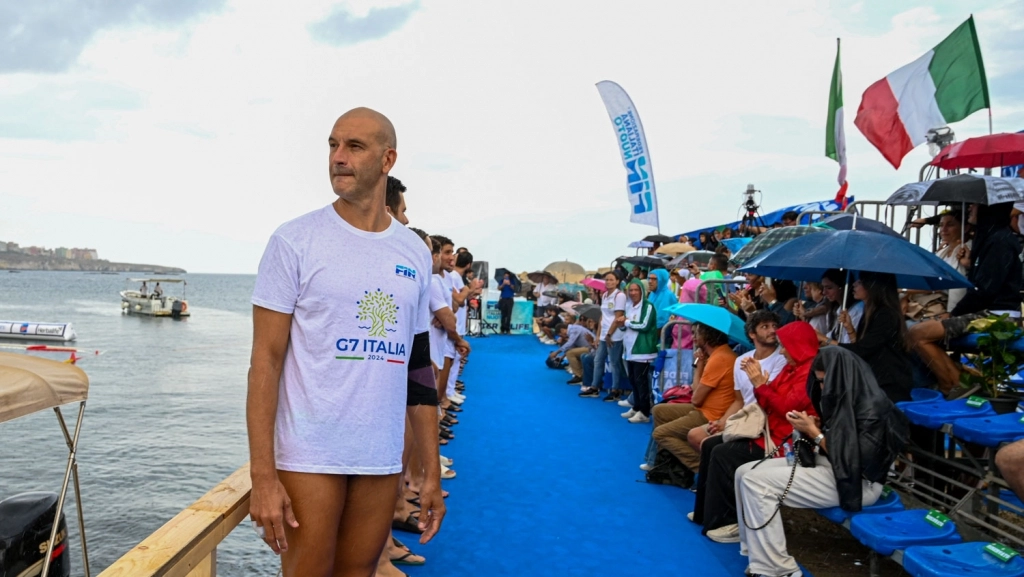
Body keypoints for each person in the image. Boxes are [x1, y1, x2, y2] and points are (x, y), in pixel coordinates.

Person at [248, 108, 444, 576]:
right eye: (333, 145)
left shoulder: (413, 251)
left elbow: (418, 370)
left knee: (359, 572)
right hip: (309, 449)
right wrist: (262, 475)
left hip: (378, 452)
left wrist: (430, 470)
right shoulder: (295, 241)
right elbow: (265, 362)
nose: (338, 157)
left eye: (354, 147)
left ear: (387, 159)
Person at [735, 347, 909, 577]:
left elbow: (855, 462)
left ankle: (778, 568)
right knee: (743, 472)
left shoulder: (874, 408)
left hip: (857, 483)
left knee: (757, 482)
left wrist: (815, 432)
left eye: (824, 381)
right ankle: (757, 552)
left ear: (841, 376)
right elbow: (836, 442)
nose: (821, 388)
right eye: (818, 382)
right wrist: (814, 427)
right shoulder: (847, 394)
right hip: (830, 468)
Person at [696, 321, 819, 544]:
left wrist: (761, 385)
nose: (782, 351)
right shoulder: (791, 368)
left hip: (784, 441)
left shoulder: (807, 373)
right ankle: (706, 513)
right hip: (769, 430)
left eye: (786, 346)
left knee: (724, 453)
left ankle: (729, 520)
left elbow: (787, 409)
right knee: (712, 444)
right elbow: (769, 402)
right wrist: (760, 385)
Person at [910, 202, 1023, 393]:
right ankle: (962, 380)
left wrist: (952, 314)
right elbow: (988, 283)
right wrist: (969, 265)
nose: (970, 208)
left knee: (917, 334)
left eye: (975, 205)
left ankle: (953, 385)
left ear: (989, 209)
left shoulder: (999, 241)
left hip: (998, 317)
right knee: (913, 331)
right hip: (987, 311)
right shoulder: (992, 237)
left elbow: (984, 291)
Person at [649, 322, 737, 485]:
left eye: (697, 334)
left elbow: (696, 398)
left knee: (660, 433)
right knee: (659, 410)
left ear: (708, 336)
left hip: (710, 415)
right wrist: (700, 363)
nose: (694, 338)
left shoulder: (720, 358)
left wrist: (701, 364)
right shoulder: (716, 355)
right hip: (703, 408)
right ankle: (667, 465)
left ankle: (704, 468)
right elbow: (696, 391)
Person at [835, 272, 913, 403]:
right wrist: (850, 328)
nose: (854, 284)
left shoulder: (885, 314)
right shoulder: (870, 311)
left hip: (889, 386)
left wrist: (825, 341)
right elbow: (861, 347)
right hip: (876, 381)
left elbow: (862, 350)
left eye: (859, 282)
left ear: (872, 286)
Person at [578, 272, 628, 400]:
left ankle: (615, 390)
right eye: (607, 280)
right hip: (604, 334)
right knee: (598, 360)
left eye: (611, 280)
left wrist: (609, 334)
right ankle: (594, 388)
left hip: (615, 335)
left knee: (614, 362)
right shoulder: (605, 295)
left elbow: (618, 317)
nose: (608, 282)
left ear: (617, 281)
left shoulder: (620, 296)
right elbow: (602, 316)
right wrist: (598, 335)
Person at [620, 278, 658, 423]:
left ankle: (644, 412)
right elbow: (625, 326)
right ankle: (636, 407)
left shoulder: (648, 306)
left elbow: (644, 325)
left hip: (643, 350)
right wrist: (621, 324)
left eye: (636, 290)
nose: (633, 293)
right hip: (630, 349)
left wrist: (626, 322)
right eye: (631, 290)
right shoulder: (629, 306)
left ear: (642, 291)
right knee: (633, 380)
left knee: (641, 381)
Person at [551, 316, 596, 384]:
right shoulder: (572, 329)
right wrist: (562, 357)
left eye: (560, 335)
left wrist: (557, 352)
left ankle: (578, 376)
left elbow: (570, 343)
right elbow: (572, 346)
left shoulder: (574, 329)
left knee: (570, 353)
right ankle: (581, 373)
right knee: (572, 352)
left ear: (563, 330)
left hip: (592, 348)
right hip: (588, 347)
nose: (562, 337)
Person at [647, 268, 679, 333]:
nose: (650, 281)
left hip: (661, 336)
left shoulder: (668, 295)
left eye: (654, 279)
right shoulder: (653, 294)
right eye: (649, 278)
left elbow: (662, 320)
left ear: (661, 280)